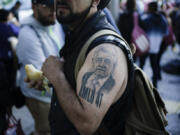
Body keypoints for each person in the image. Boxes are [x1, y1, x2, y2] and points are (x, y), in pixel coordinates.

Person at [26, 0, 134, 134]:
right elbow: (77, 84)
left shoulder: (105, 50)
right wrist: (49, 82)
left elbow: (86, 123)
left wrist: (58, 77)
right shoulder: (78, 34)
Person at [16, 0, 64, 135]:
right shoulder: (27, 34)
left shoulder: (53, 24)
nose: (53, 12)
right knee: (45, 131)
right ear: (33, 6)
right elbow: (38, 76)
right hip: (40, 97)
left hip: (53, 94)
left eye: (55, 6)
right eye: (47, 7)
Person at [140, 1, 168, 87]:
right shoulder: (163, 19)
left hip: (146, 46)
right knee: (155, 65)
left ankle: (139, 82)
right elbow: (165, 34)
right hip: (156, 47)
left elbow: (142, 32)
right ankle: (155, 84)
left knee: (141, 65)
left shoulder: (146, 19)